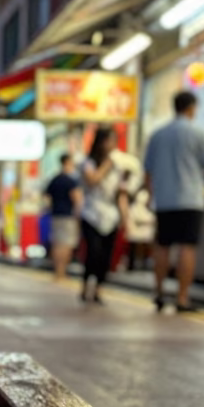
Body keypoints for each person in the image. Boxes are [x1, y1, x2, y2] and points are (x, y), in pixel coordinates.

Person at [144, 91, 204, 312]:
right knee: (187, 247)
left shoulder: (157, 135)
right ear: (191, 108)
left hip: (164, 199)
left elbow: (147, 171)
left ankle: (158, 292)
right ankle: (182, 297)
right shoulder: (198, 133)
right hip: (190, 199)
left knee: (162, 246)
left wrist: (150, 195)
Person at [79, 127, 128, 304]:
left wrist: (125, 216)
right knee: (93, 252)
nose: (111, 145)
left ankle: (98, 289)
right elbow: (92, 180)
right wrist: (107, 165)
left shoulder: (118, 166)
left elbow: (120, 193)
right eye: (108, 141)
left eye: (114, 141)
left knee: (106, 256)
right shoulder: (88, 163)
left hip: (111, 216)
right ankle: (85, 287)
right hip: (91, 213)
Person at [44, 154, 82, 281]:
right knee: (66, 244)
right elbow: (77, 199)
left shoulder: (54, 179)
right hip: (68, 216)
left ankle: (57, 272)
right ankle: (62, 271)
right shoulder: (71, 181)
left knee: (57, 243)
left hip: (55, 215)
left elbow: (47, 197)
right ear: (68, 163)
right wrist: (78, 215)